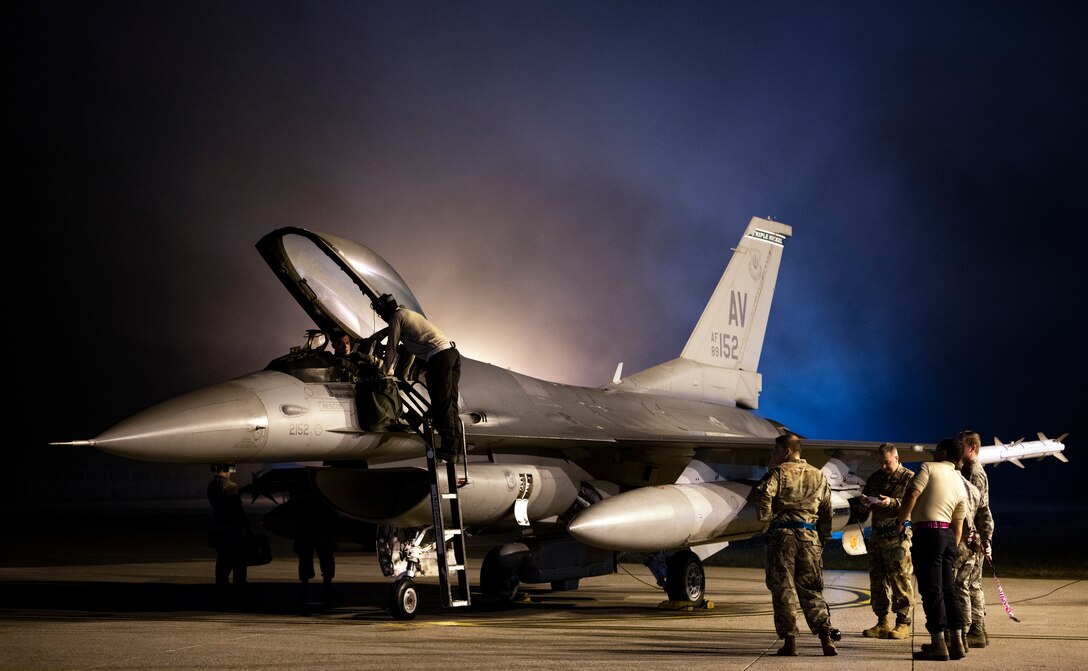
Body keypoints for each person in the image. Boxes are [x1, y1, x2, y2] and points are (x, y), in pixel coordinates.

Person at [756, 432, 838, 656]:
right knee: (812, 589)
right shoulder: (818, 475)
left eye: (776, 450)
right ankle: (826, 638)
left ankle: (790, 642)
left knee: (783, 588)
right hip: (809, 538)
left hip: (783, 537)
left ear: (787, 451)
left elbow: (764, 496)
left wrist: (767, 519)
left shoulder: (778, 473)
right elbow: (827, 509)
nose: (774, 454)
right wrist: (823, 536)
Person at [897, 438, 968, 661]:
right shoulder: (959, 481)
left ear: (943, 452)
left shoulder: (928, 468)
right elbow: (959, 525)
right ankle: (956, 642)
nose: (933, 453)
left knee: (931, 590)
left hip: (927, 533)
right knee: (949, 589)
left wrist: (901, 520)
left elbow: (912, 494)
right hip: (947, 535)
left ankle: (938, 644)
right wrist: (949, 546)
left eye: (936, 450)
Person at [371, 293, 462, 459]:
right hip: (452, 354)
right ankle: (456, 447)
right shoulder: (409, 315)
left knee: (441, 404)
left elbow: (391, 347)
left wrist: (383, 373)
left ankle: (450, 449)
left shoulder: (396, 317)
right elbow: (410, 351)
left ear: (383, 311)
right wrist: (403, 375)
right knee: (450, 403)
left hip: (438, 357)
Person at [858, 443, 915, 640]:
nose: (884, 466)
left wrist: (891, 502)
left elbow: (914, 504)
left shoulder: (909, 478)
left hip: (897, 536)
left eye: (887, 462)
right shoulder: (876, 477)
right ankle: (882, 621)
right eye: (881, 462)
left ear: (897, 459)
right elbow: (864, 501)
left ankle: (903, 623)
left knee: (900, 579)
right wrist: (865, 503)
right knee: (878, 581)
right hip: (877, 536)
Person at [958, 429, 994, 648]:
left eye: (961, 445)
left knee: (969, 584)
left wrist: (976, 537)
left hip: (972, 536)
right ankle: (978, 629)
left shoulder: (973, 472)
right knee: (972, 583)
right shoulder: (970, 469)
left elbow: (976, 508)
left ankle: (976, 630)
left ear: (972, 447)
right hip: (977, 535)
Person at [207, 464, 250, 606]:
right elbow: (237, 509)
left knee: (223, 561)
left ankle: (221, 590)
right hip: (231, 528)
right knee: (239, 561)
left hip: (218, 526)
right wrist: (246, 527)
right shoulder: (230, 486)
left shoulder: (212, 485)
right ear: (225, 470)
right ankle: (240, 591)